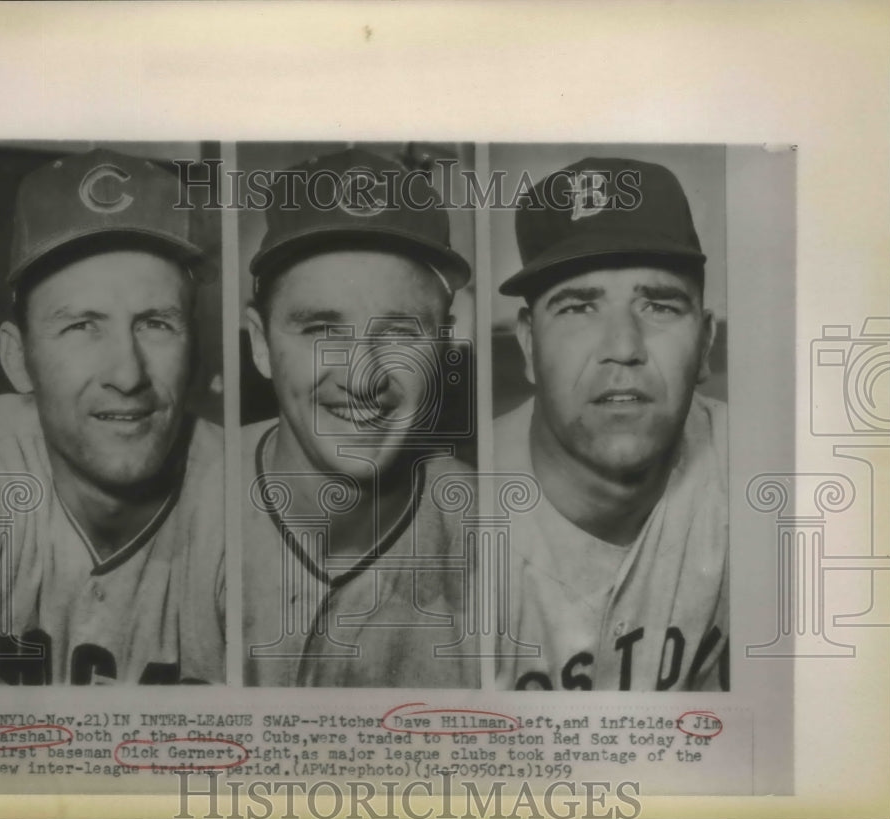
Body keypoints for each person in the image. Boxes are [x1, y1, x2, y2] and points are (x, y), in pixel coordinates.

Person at [242, 148, 478, 687]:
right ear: (260, 343)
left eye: (399, 333)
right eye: (322, 329)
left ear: (443, 344)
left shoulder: (497, 541)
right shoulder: (189, 496)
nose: (363, 377)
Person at [0, 148, 225, 685]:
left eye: (155, 324)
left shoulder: (247, 503)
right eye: (81, 326)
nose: (127, 374)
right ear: (16, 359)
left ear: (195, 349)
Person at [494, 157, 728, 691]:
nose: (623, 348)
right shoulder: (452, 525)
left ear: (705, 344)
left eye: (661, 306)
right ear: (528, 343)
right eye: (578, 308)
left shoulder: (769, 473)